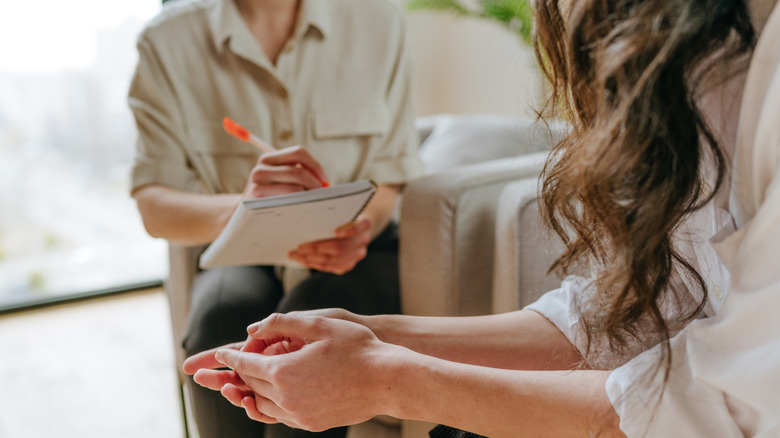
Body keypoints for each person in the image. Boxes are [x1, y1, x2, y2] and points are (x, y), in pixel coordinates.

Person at [183, 0, 780, 436]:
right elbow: (636, 309)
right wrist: (378, 337)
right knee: (223, 314)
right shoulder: (698, 58)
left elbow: (724, 408)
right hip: (234, 246)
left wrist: (382, 376)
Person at [127, 0, 424, 437]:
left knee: (319, 322)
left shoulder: (378, 20)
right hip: (241, 254)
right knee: (221, 318)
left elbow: (391, 178)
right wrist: (246, 209)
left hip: (359, 252)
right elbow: (154, 206)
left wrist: (357, 230)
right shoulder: (167, 41)